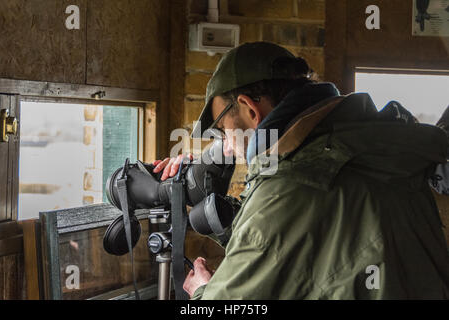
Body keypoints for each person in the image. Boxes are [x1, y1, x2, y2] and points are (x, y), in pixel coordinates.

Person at [154, 42, 449, 299]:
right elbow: (311, 240)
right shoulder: (371, 142)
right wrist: (227, 217)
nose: (227, 148)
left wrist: (202, 289)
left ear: (248, 109)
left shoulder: (291, 184)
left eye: (222, 129)